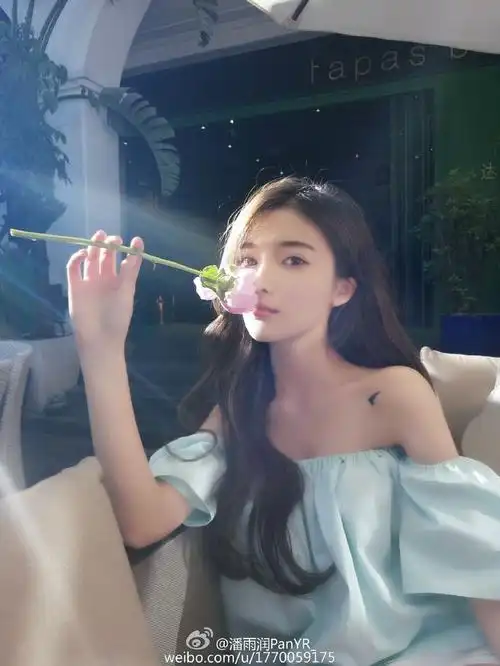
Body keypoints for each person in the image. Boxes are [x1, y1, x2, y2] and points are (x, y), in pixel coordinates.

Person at [67, 177, 500, 666]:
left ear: (343, 288)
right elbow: (141, 522)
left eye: (293, 259)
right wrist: (100, 349)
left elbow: (472, 546)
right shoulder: (238, 410)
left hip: (422, 650)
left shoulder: (391, 394)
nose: (260, 279)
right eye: (247, 260)